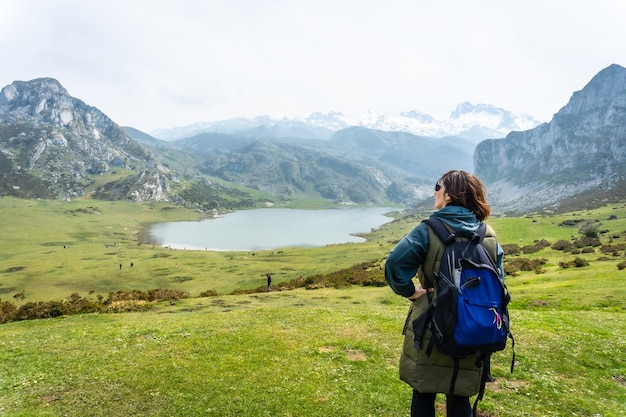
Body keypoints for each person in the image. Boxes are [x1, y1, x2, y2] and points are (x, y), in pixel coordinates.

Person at [384, 170, 504, 417]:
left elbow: (395, 265)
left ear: (449, 195)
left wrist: (410, 291)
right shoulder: (488, 234)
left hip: (431, 323)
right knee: (459, 395)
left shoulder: (428, 230)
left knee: (424, 391)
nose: (434, 191)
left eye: (437, 186)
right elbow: (498, 283)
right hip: (474, 325)